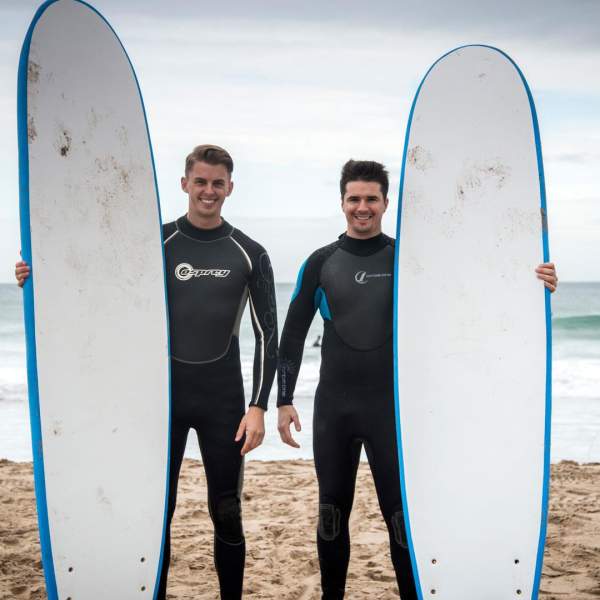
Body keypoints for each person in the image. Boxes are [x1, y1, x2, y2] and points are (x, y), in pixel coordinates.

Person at [275, 159, 558, 599]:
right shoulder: (321, 263)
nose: (362, 207)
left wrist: (534, 280)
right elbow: (293, 333)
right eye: (354, 199)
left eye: (371, 198)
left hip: (392, 411)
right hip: (334, 409)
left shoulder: (408, 259)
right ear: (342, 203)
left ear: (386, 203)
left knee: (401, 519)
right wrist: (283, 398)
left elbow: (473, 293)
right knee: (331, 513)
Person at [16, 144, 278, 600]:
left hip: (224, 402)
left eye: (218, 183)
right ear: (184, 184)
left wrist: (257, 407)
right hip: (162, 400)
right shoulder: (153, 244)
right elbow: (95, 286)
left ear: (230, 188)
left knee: (227, 510)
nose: (209, 191)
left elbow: (267, 336)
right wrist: (35, 274)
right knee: (160, 510)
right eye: (200, 182)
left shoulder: (249, 252)